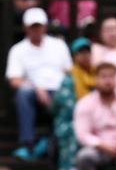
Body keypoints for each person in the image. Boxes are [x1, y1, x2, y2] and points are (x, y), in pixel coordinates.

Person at [5, 8, 71, 158]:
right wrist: (36, 88)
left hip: (60, 92)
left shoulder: (59, 45)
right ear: (25, 28)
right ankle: (28, 144)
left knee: (69, 96)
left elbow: (69, 73)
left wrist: (62, 91)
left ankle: (57, 144)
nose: (36, 30)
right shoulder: (18, 50)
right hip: (33, 93)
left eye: (38, 26)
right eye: (32, 26)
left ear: (45, 26)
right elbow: (14, 80)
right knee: (23, 93)